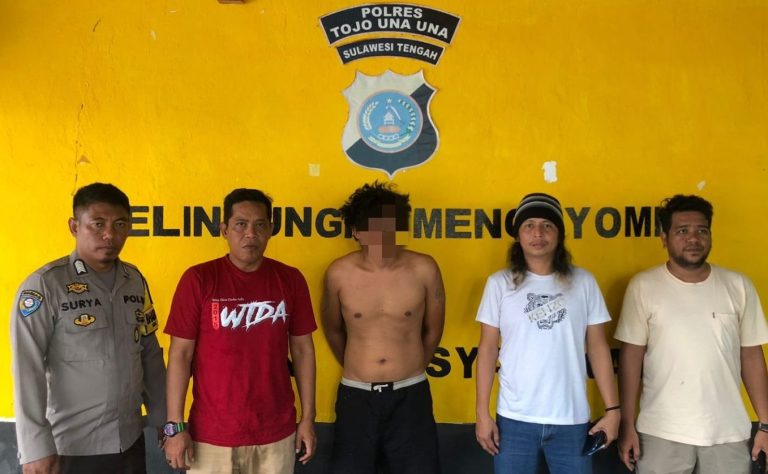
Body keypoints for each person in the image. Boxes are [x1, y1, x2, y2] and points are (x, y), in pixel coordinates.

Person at [10, 182, 166, 474]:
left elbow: (149, 352)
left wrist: (164, 420)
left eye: (120, 224)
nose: (110, 235)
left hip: (129, 440)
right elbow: (26, 368)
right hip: (72, 446)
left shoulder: (134, 281)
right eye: (98, 224)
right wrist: (35, 447)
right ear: (74, 226)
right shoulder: (46, 286)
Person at [162, 188, 317, 474]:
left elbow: (303, 350)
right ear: (224, 230)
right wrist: (175, 427)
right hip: (211, 435)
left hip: (276, 432)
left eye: (260, 225)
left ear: (271, 229)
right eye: (240, 224)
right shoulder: (199, 279)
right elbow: (180, 355)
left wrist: (308, 418)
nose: (250, 234)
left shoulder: (290, 279)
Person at [616, 194, 768, 473]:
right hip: (661, 432)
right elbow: (630, 359)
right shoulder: (644, 287)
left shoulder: (738, 286)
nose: (693, 239)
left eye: (702, 230)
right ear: (664, 238)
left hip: (728, 432)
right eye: (682, 231)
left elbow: (751, 356)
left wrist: (766, 425)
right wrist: (627, 424)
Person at [474, 192, 620, 474]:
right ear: (518, 235)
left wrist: (613, 410)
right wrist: (482, 414)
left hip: (571, 420)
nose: (538, 233)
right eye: (529, 225)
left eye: (547, 225)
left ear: (559, 235)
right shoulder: (500, 284)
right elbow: (488, 349)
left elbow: (598, 347)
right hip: (514, 420)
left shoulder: (584, 282)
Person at [322, 182, 445, 474]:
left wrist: (411, 365)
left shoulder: (424, 268)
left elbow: (433, 330)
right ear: (356, 231)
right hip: (356, 397)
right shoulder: (338, 273)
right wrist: (360, 366)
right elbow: (333, 330)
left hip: (410, 395)